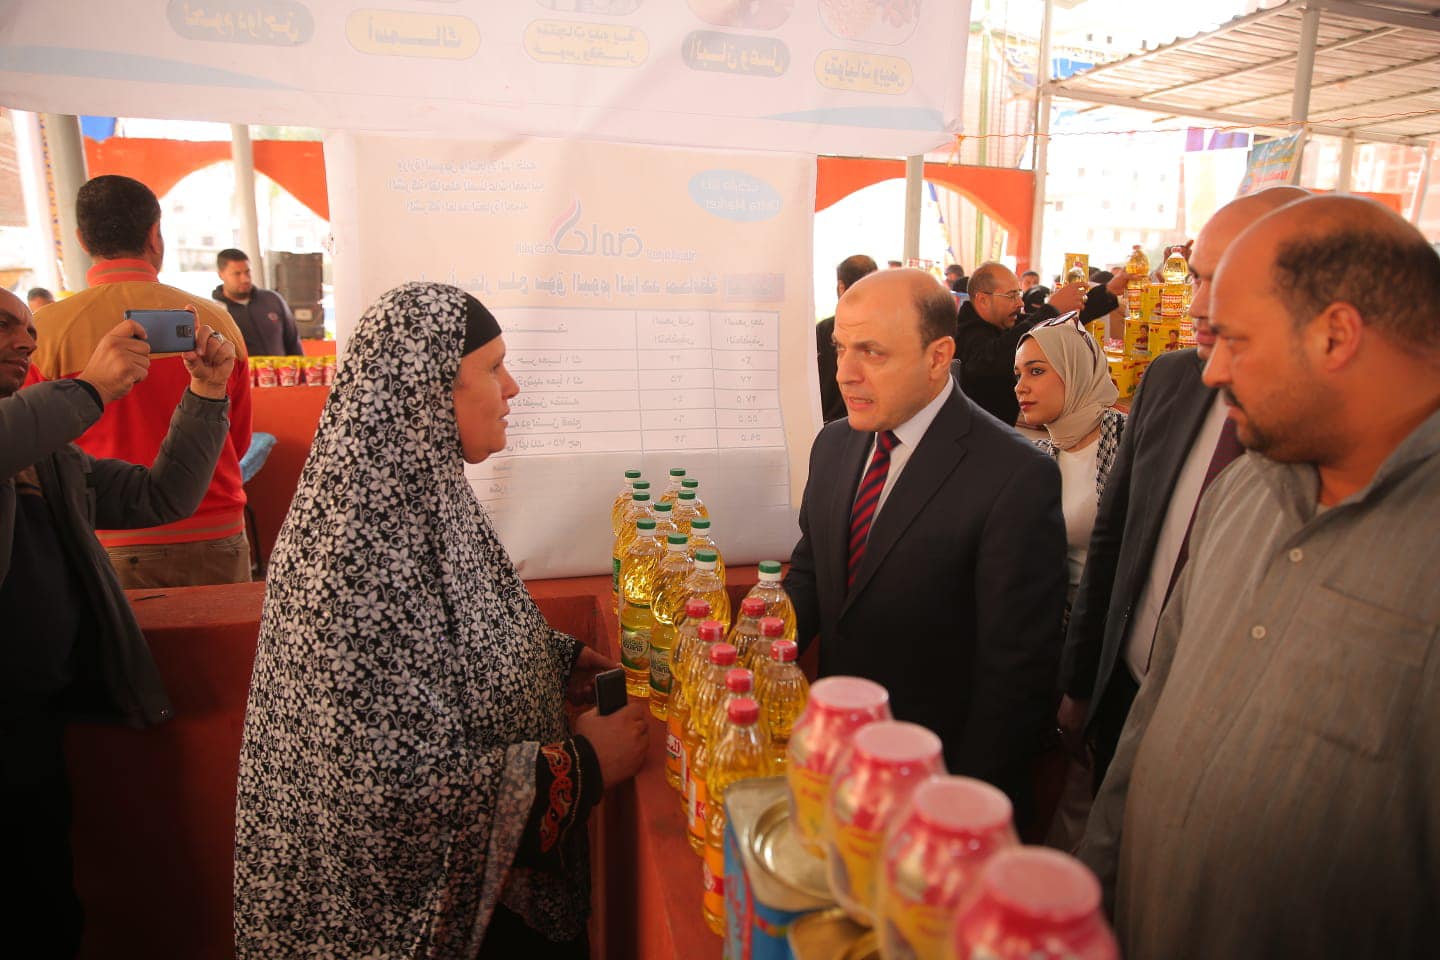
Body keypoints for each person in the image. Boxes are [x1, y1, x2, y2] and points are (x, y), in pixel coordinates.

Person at [234, 282, 649, 958]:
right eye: (493, 368)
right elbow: (388, 800)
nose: (511, 387)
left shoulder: (418, 494)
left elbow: (463, 630)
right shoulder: (356, 554)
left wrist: (557, 663)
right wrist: (583, 765)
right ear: (426, 392)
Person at [1079, 194, 1440, 958]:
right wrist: (1095, 891)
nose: (1211, 370)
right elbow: (1151, 720)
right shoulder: (1244, 487)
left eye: (1235, 341)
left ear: (1336, 334)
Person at [1, 286, 238, 959]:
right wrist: (93, 388)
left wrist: (206, 395)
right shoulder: (33, 429)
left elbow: (159, 496)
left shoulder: (50, 454)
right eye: (5, 326)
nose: (25, 341)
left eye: (29, 330)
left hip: (31, 720)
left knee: (42, 902)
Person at [784, 268, 1067, 820]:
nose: (844, 373)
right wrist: (754, 644)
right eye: (841, 348)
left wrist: (956, 811)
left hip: (934, 787)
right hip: (835, 761)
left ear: (938, 357)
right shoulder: (834, 444)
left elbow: (1014, 677)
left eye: (872, 352)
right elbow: (813, 574)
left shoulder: (1014, 476)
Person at [1056, 187, 1307, 789]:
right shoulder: (1171, 379)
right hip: (1125, 688)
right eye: (1195, 278)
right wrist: (1082, 681)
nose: (1197, 305)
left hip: (1233, 736)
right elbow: (1115, 536)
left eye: (1224, 281)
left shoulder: (1326, 430)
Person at [29, 175, 253, 589]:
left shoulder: (42, 333)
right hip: (212, 527)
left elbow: (35, 454)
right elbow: (236, 441)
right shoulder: (214, 322)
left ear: (81, 240)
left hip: (106, 535)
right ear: (154, 235)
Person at [1012, 315, 1125, 849]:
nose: (1021, 386)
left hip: (1109, 635)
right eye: (1018, 375)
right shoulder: (1041, 451)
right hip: (1053, 631)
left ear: (1075, 370)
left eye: (1037, 371)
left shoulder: (1126, 443)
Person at [955, 262, 1119, 427]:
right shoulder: (968, 333)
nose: (1020, 303)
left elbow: (1049, 323)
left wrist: (1109, 290)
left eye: (1019, 294)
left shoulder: (1002, 323)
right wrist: (1052, 309)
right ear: (983, 300)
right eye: (1011, 296)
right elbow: (993, 360)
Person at [815, 254, 879, 423]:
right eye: (839, 347)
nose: (843, 375)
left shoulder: (823, 330)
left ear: (841, 287)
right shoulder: (885, 329)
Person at [212, 248, 304, 357]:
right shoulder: (217, 312)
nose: (245, 279)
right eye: (237, 274)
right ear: (221, 275)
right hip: (244, 368)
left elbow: (293, 343)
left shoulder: (273, 300)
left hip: (283, 368)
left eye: (247, 272)